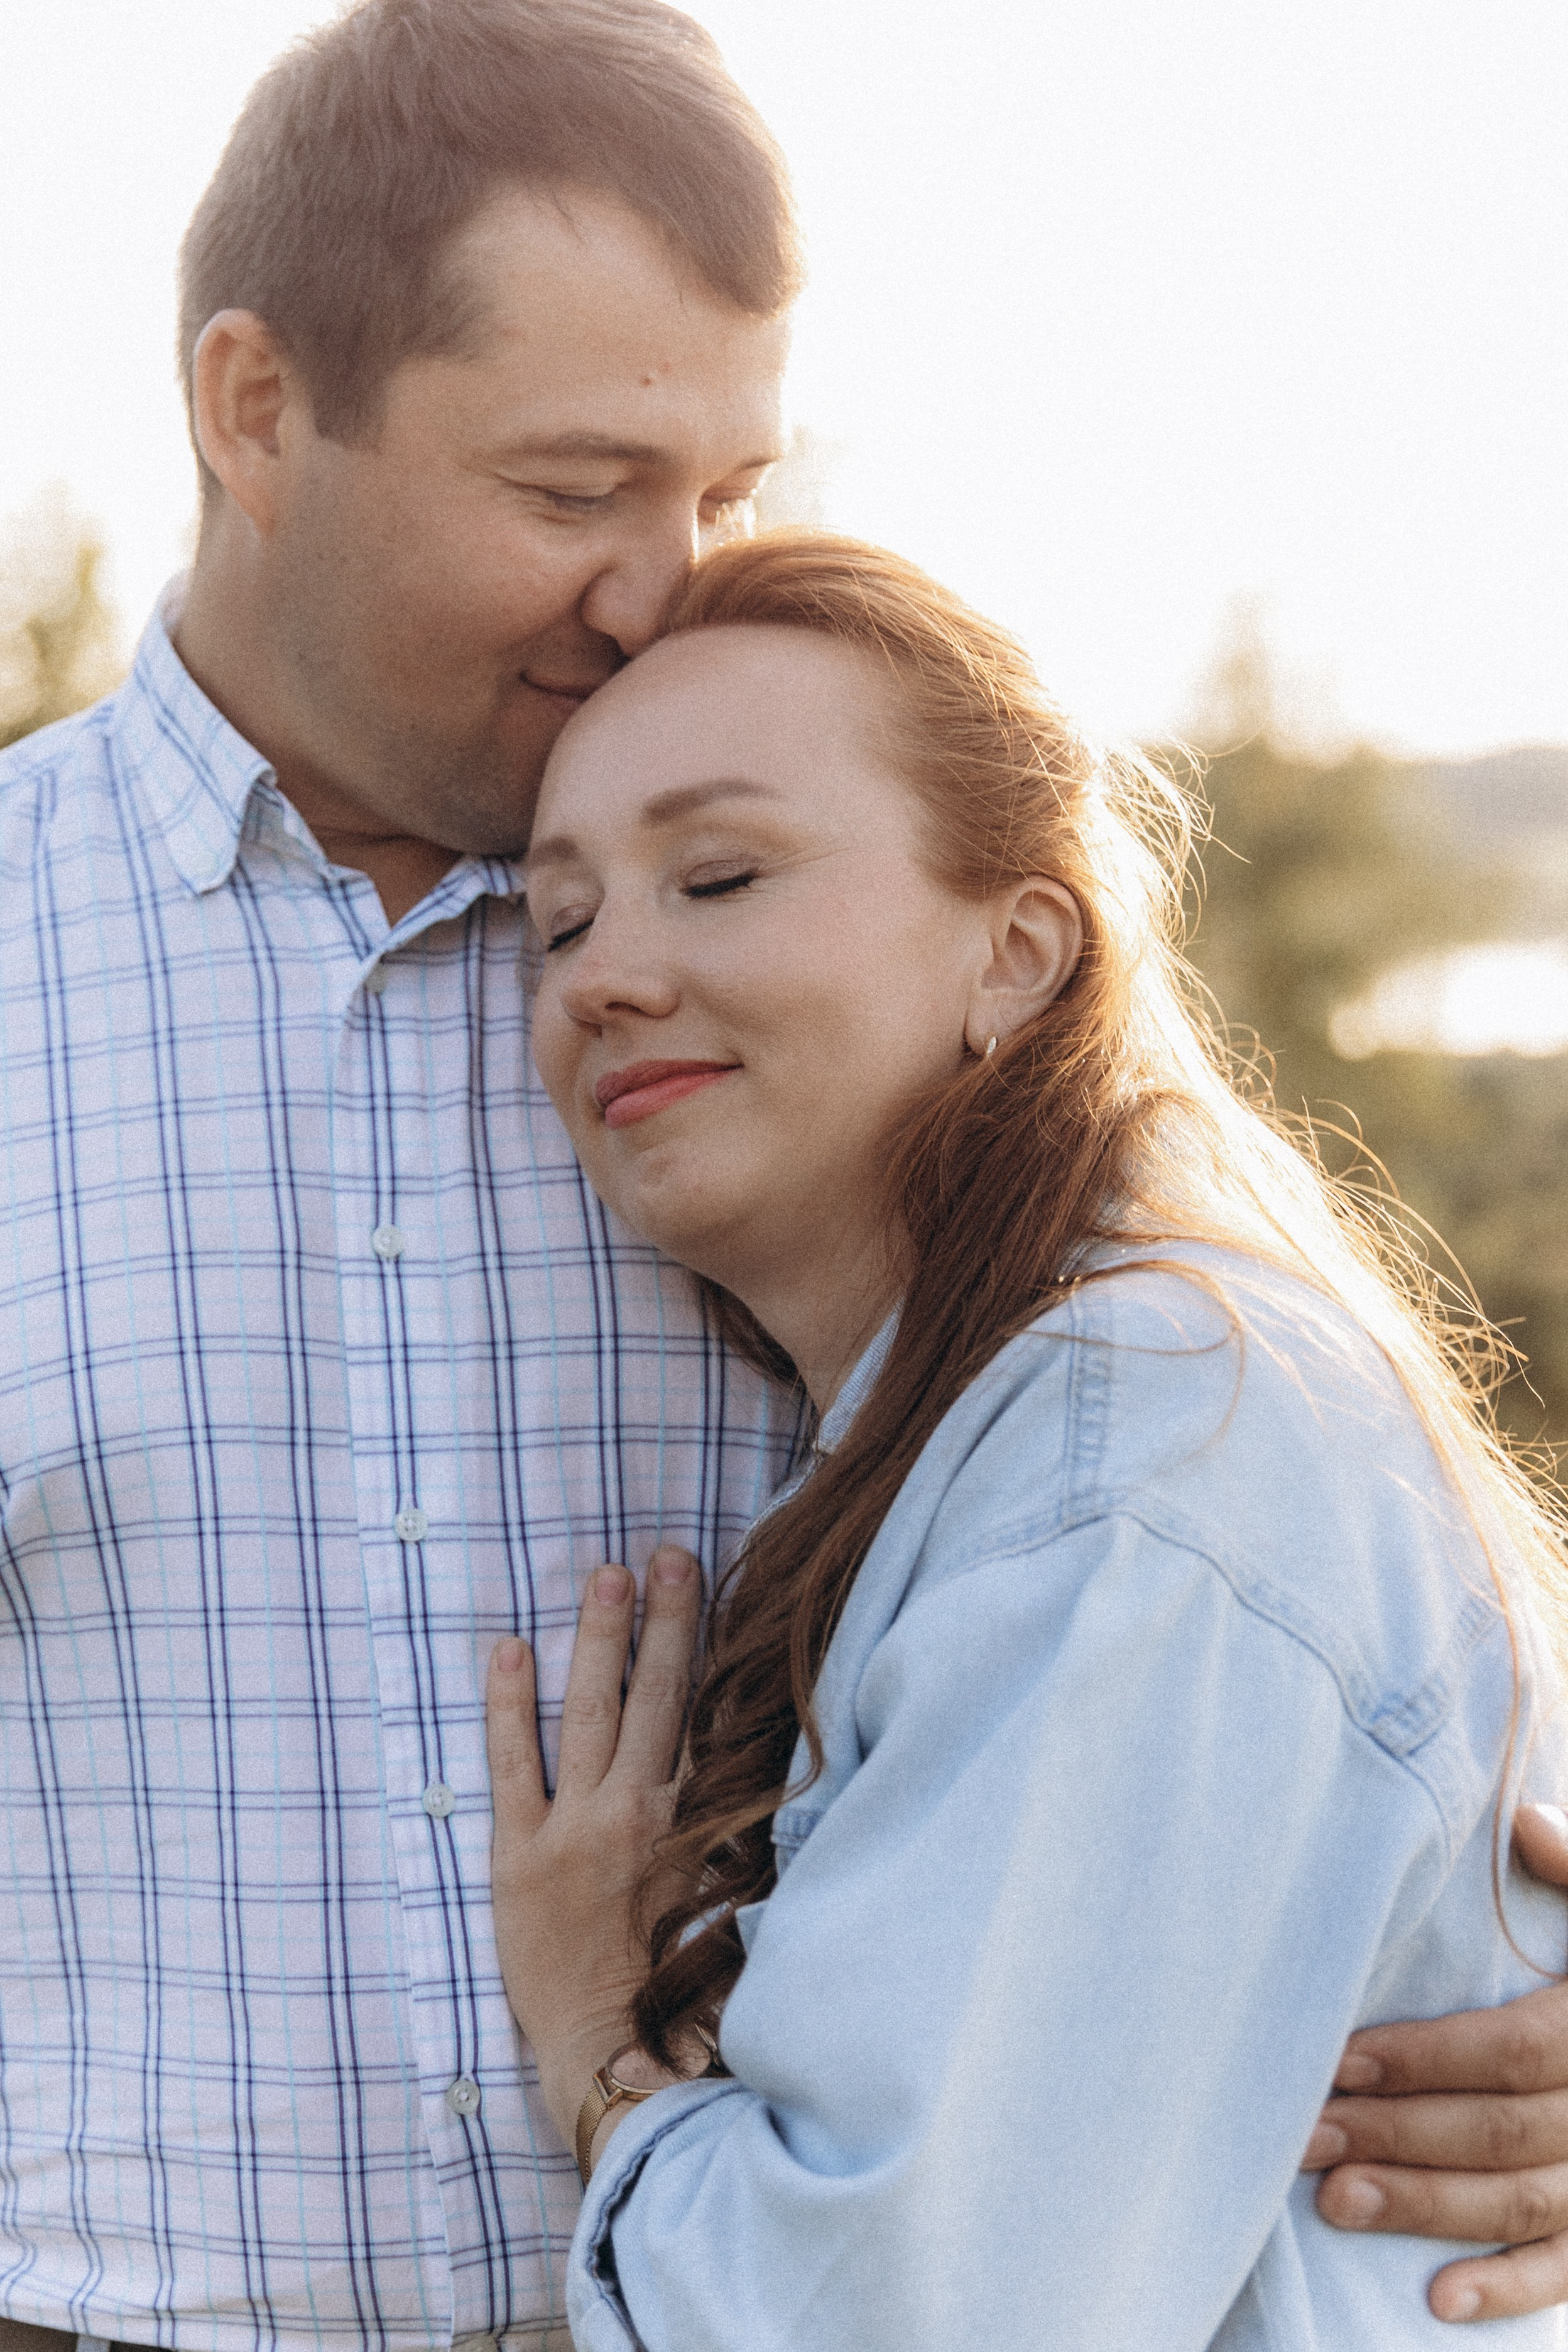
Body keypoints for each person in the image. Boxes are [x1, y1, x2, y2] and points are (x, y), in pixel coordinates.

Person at [1, 2, 1567, 2346]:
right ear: (255, 412)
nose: (664, 585)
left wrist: (1470, 1939)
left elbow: (1293, 1616)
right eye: (574, 490)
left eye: (725, 490)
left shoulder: (852, 984)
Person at [486, 530, 1568, 2348]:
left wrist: (598, 2040)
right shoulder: (1035, 1422)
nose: (602, 974)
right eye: (562, 919)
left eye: (722, 873)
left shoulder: (1137, 1455)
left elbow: (879, 2320)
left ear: (1020, 952)